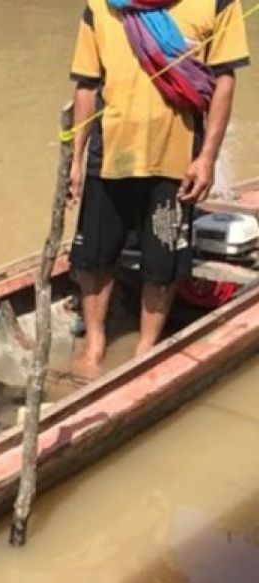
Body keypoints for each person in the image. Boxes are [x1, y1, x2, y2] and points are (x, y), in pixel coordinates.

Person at [68, 0, 250, 375]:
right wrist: (77, 159)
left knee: (162, 261)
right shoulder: (102, 5)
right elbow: (87, 83)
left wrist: (208, 158)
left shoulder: (218, 3)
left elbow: (223, 81)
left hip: (177, 155)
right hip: (112, 151)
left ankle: (145, 350)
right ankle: (94, 346)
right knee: (94, 257)